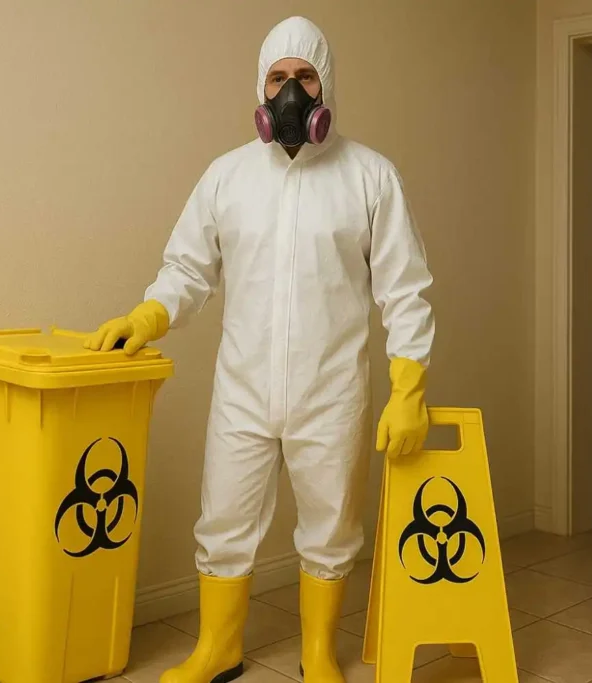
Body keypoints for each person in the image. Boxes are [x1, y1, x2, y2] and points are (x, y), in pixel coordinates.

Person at [86, 16, 434, 683]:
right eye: (278, 78)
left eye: (305, 77)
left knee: (331, 529)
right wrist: (148, 314)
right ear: (260, 87)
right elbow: (189, 269)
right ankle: (217, 648)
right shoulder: (227, 177)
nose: (291, 94)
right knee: (222, 520)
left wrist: (410, 386)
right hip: (242, 390)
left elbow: (405, 290)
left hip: (331, 393)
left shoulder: (370, 177)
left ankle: (317, 654)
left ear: (326, 83)